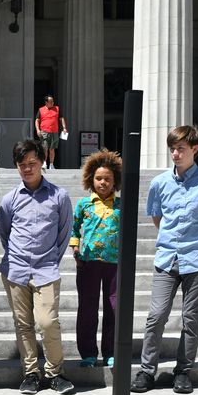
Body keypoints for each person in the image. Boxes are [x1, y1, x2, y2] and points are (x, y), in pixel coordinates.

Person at [131, 125, 198, 394]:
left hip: (197, 258)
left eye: (180, 148)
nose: (175, 153)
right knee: (156, 314)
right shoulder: (159, 182)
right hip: (166, 257)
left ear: (194, 149)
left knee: (191, 317)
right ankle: (147, 370)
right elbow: (156, 216)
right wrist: (169, 238)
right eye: (172, 148)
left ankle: (183, 371)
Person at [0, 139, 75, 395]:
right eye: (22, 165)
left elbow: (64, 234)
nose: (28, 169)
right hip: (15, 269)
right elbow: (5, 233)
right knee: (23, 324)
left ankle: (55, 372)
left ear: (42, 162)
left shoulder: (59, 196)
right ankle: (31, 373)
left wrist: (50, 258)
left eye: (32, 163)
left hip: (46, 269)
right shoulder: (10, 200)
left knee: (47, 321)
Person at [69, 149, 122, 368]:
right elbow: (74, 229)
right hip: (88, 263)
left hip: (114, 265)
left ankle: (111, 351)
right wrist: (75, 248)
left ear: (114, 181)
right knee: (87, 308)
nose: (103, 182)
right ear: (91, 179)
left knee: (114, 308)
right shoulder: (84, 204)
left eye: (107, 179)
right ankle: (88, 353)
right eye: (99, 178)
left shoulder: (120, 205)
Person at [35, 95, 68, 170]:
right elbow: (37, 120)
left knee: (52, 149)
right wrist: (38, 130)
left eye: (53, 101)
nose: (52, 102)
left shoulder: (57, 109)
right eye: (50, 101)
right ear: (46, 102)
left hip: (54, 131)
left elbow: (61, 118)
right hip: (44, 131)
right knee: (45, 148)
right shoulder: (41, 110)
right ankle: (44, 163)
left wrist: (64, 128)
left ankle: (51, 164)